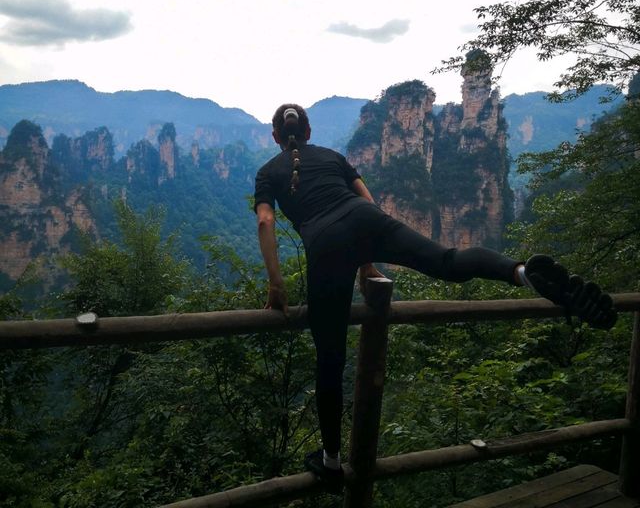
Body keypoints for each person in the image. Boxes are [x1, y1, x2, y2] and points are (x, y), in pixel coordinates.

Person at [254, 103, 616, 492]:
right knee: (447, 260)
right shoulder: (334, 156)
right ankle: (522, 272)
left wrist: (277, 286)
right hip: (368, 219)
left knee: (330, 357)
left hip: (325, 246)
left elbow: (265, 221)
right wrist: (366, 260)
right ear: (308, 132)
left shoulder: (267, 173)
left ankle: (330, 462)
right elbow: (366, 201)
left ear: (276, 137)